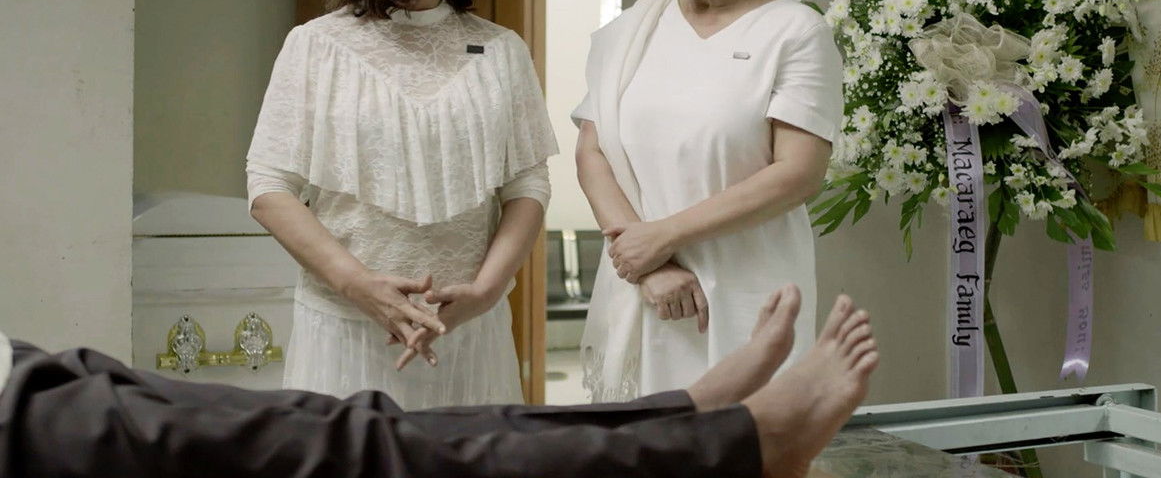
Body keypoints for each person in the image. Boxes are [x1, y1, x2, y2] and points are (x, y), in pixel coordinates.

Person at [246, 0, 557, 408]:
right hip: (347, 329)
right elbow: (269, 187)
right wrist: (358, 286)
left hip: (470, 334)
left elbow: (528, 186)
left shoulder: (502, 51)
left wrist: (486, 292)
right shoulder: (316, 46)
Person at [0, 287, 879, 478]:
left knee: (370, 427)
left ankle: (685, 411)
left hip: (32, 381)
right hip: (19, 429)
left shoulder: (494, 49)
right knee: (380, 456)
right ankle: (736, 447)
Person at [574, 0, 843, 400]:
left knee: (745, 435)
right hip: (646, 290)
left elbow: (798, 173)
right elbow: (591, 151)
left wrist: (665, 236)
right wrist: (647, 264)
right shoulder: (633, 30)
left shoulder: (794, 31)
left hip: (749, 293)